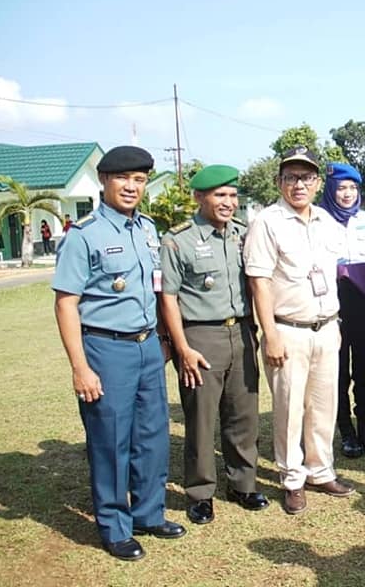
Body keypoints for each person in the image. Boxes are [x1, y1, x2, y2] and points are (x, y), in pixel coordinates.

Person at [52, 146, 185, 561]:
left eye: (140, 180)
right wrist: (80, 367)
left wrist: (164, 338)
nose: (131, 187)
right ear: (105, 182)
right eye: (123, 178)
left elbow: (155, 288)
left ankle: (148, 512)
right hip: (106, 349)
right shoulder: (85, 234)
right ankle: (114, 526)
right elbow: (65, 303)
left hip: (147, 348)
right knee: (110, 442)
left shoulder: (145, 228)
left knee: (152, 436)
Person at [244, 146, 354, 516]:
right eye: (290, 177)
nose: (298, 184)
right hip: (287, 330)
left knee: (324, 405)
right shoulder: (267, 222)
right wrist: (269, 332)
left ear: (317, 182)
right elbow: (259, 281)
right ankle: (292, 478)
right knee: (289, 409)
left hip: (326, 327)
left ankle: (320, 470)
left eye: (306, 177)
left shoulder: (325, 220)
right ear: (279, 182)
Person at [159, 164, 268, 527]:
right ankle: (201, 493)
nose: (228, 202)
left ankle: (243, 484)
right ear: (199, 197)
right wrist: (181, 348)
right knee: (202, 420)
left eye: (233, 195)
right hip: (200, 336)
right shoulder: (178, 240)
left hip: (242, 332)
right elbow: (169, 299)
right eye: (220, 195)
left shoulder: (243, 234)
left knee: (244, 415)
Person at [321, 162, 365, 458]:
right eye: (341, 188)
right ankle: (345, 432)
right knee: (337, 371)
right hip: (332, 303)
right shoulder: (319, 219)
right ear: (331, 190)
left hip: (364, 301)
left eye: (352, 188)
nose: (347, 194)